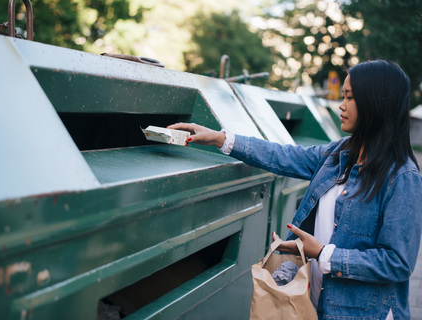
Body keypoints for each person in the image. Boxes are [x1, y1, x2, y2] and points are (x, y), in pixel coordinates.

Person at [169, 59, 422, 319]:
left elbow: (397, 263)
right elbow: (284, 155)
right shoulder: (339, 154)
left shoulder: (402, 177)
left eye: (351, 97)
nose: (342, 105)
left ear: (377, 104)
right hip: (316, 304)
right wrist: (221, 139)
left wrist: (324, 254)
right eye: (343, 96)